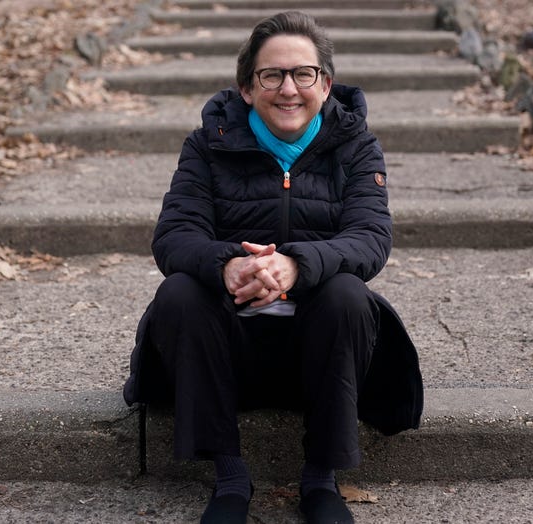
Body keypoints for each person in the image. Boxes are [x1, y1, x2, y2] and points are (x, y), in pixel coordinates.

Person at [123, 11, 423, 524]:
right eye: (271, 75)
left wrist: (296, 265)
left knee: (348, 293)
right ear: (246, 87)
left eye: (303, 74)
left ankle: (321, 480)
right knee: (178, 292)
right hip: (226, 351)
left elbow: (370, 238)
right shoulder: (207, 145)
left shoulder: (356, 147)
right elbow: (174, 235)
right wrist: (228, 266)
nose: (289, 89)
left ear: (325, 85)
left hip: (324, 353)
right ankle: (230, 479)